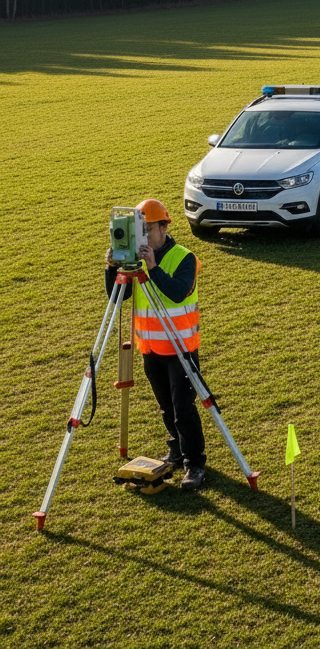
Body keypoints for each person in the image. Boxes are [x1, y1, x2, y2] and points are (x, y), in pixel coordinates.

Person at [105, 198, 207, 491]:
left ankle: (194, 463)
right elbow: (117, 297)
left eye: (148, 229)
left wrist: (153, 268)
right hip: (150, 348)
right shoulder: (135, 260)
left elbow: (178, 292)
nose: (144, 236)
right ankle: (176, 450)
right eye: (140, 230)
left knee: (183, 407)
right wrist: (112, 268)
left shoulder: (185, 258)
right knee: (165, 406)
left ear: (164, 227)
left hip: (180, 348)